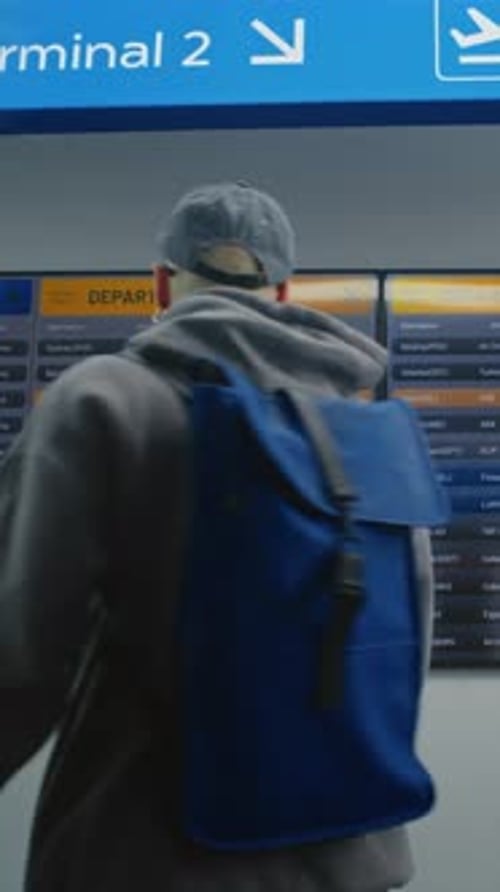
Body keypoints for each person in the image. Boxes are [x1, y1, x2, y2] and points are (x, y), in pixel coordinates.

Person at [0, 182, 434, 892]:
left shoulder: (104, 398)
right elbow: (397, 650)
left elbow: (20, 653)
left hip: (143, 855)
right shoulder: (367, 431)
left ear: (161, 284)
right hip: (352, 853)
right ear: (286, 290)